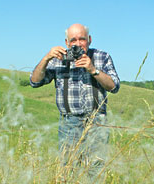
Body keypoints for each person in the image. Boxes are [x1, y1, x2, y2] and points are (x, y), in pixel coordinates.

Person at [30, 23, 120, 183]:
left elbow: (114, 86)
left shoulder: (101, 57)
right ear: (66, 43)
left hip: (97, 122)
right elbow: (35, 82)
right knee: (67, 171)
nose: (78, 44)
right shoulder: (58, 59)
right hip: (68, 124)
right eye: (73, 40)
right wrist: (46, 58)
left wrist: (93, 70)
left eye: (82, 39)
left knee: (96, 171)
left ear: (89, 40)